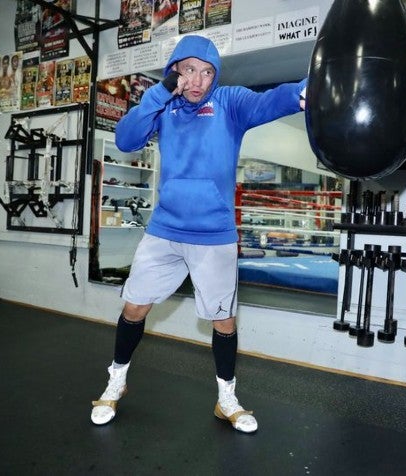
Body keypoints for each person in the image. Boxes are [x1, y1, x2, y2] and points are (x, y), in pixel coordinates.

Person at [90, 35, 307, 433]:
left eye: (207, 72)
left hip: (214, 236)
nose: (198, 81)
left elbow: (270, 100)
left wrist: (304, 91)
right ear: (175, 71)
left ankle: (227, 399)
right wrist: (159, 93)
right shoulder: (164, 104)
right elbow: (125, 139)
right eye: (189, 70)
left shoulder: (228, 103)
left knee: (224, 321)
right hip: (164, 231)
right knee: (134, 308)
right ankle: (115, 383)